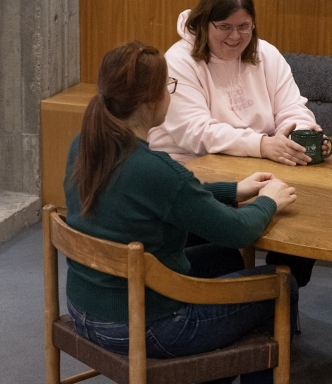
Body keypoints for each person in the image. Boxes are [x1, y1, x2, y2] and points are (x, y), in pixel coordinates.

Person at [64, 41, 298, 384]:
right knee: (281, 284)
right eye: (168, 87)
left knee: (226, 259)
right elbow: (239, 231)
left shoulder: (85, 144)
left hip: (85, 309)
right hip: (146, 328)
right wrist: (269, 200)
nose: (171, 95)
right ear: (150, 101)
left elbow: (164, 199)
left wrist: (233, 190)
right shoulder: (154, 168)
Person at [148, 0, 324, 286]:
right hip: (194, 168)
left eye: (244, 26)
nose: (235, 36)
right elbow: (195, 131)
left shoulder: (266, 54)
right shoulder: (178, 61)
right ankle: (257, 293)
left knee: (303, 204)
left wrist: (295, 136)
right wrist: (262, 144)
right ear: (204, 23)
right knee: (227, 240)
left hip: (258, 164)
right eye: (224, 26)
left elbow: (293, 107)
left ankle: (281, 286)